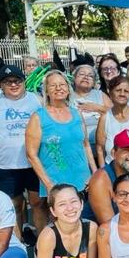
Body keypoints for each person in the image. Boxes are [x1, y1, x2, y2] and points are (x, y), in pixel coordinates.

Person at [0, 64, 44, 240]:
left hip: (34, 163)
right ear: (0, 84)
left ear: (24, 81)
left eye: (17, 81)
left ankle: (41, 241)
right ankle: (19, 244)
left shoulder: (37, 100)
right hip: (5, 165)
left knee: (38, 203)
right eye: (8, 82)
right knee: (14, 205)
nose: (13, 85)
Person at [27, 68, 96, 203]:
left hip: (83, 181)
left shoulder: (77, 114)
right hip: (57, 184)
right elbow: (31, 155)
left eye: (62, 84)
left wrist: (94, 172)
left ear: (68, 89)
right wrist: (49, 185)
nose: (58, 88)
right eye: (53, 85)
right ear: (46, 91)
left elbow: (86, 144)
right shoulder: (39, 117)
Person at [70, 62, 109, 142]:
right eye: (82, 74)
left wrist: (97, 107)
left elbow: (115, 114)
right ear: (74, 78)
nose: (86, 77)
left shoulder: (100, 94)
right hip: (76, 142)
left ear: (94, 82)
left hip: (101, 142)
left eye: (90, 76)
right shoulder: (67, 96)